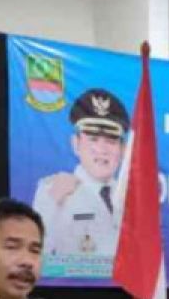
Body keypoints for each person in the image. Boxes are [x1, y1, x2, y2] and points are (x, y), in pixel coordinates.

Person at [32, 88, 130, 261]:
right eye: (93, 139)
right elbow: (37, 253)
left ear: (122, 150)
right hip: (75, 287)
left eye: (111, 141)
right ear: (76, 144)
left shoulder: (131, 197)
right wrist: (51, 204)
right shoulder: (53, 190)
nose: (102, 150)